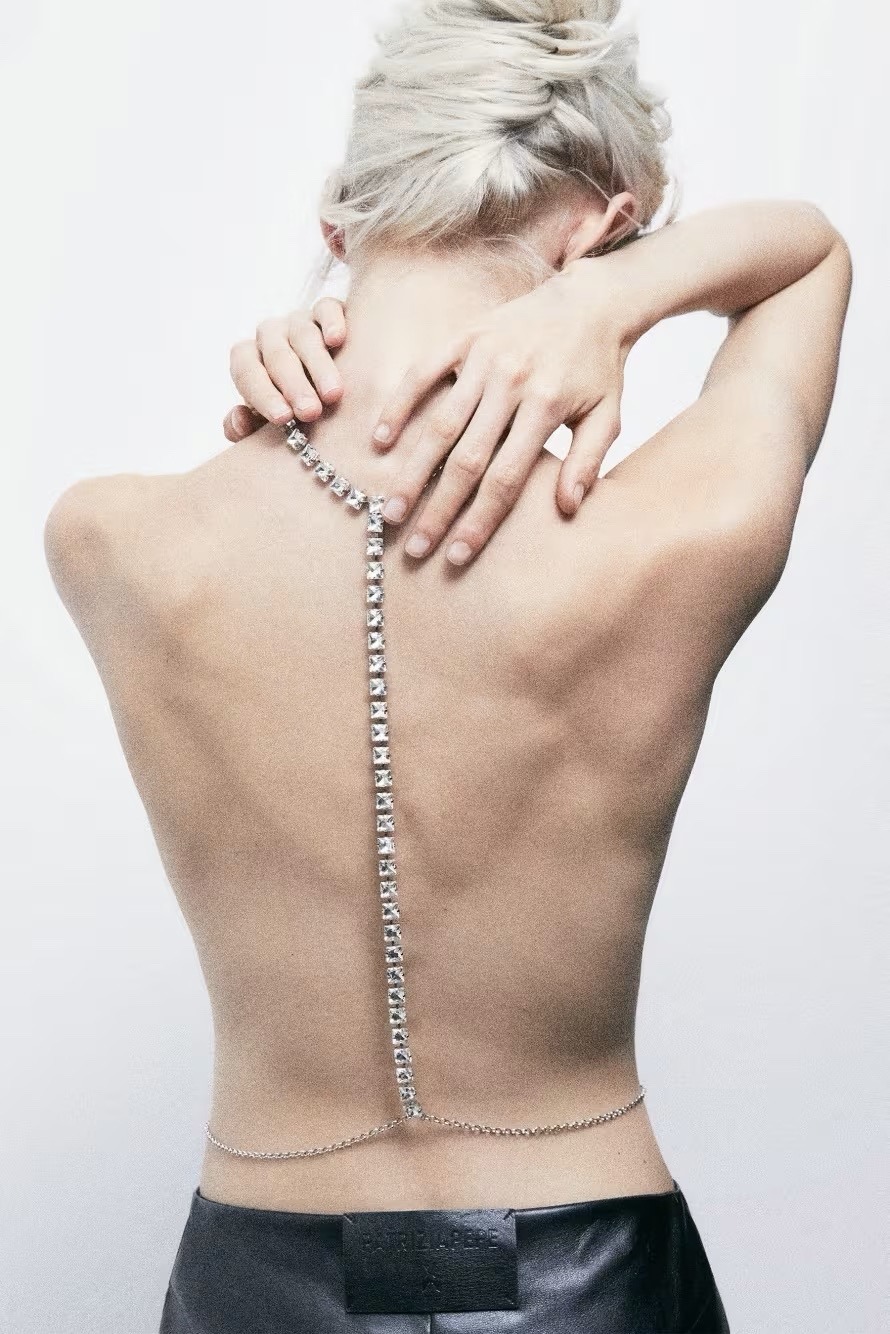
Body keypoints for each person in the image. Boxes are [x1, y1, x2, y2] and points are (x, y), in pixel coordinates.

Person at [43, 1, 851, 1330]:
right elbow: (808, 254)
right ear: (603, 224)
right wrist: (615, 299)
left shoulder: (114, 543)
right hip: (591, 1273)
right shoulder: (683, 532)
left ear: (337, 218)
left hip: (258, 1278)